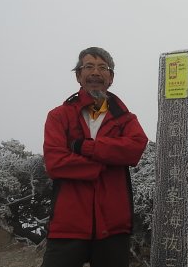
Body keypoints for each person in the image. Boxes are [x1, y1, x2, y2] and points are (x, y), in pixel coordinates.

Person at [41, 47, 148, 267]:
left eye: (102, 68)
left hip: (113, 225)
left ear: (111, 78)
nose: (95, 73)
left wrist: (85, 148)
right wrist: (103, 163)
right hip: (68, 224)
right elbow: (55, 163)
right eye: (88, 67)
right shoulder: (59, 116)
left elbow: (135, 148)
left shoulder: (125, 118)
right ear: (78, 76)